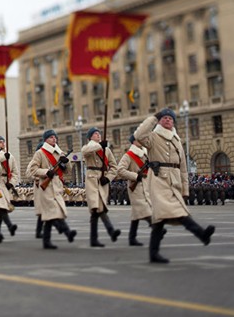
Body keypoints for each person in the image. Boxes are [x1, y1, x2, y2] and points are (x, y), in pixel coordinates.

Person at [134, 108, 215, 263]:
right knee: (177, 213)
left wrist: (185, 189)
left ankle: (154, 253)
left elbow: (183, 167)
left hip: (174, 181)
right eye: (164, 118)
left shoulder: (176, 139)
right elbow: (139, 135)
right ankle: (202, 234)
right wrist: (152, 118)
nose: (167, 120)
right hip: (159, 180)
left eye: (170, 118)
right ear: (159, 121)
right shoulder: (153, 137)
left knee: (161, 219)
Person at [26, 130, 77, 249]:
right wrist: (46, 172)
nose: (54, 139)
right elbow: (33, 170)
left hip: (57, 186)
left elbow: (68, 171)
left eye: (55, 137)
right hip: (46, 186)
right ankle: (67, 232)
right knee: (52, 213)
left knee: (53, 214)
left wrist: (66, 161)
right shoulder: (40, 153)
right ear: (45, 140)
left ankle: (48, 240)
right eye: (51, 137)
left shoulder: (60, 153)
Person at [81, 127, 121, 247]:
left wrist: (108, 178)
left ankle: (100, 236)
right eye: (95, 134)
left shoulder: (107, 150)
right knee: (95, 208)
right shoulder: (89, 147)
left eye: (99, 134)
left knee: (99, 208)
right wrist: (100, 146)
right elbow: (85, 151)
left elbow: (114, 167)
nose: (98, 135)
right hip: (92, 179)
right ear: (90, 137)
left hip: (102, 181)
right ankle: (110, 231)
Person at [116, 135, 153, 246]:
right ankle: (156, 226)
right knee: (144, 208)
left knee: (136, 213)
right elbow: (120, 170)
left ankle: (132, 238)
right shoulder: (129, 155)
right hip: (135, 186)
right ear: (133, 141)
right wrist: (136, 176)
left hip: (147, 185)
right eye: (138, 139)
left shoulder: (146, 154)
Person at [0, 136, 19, 237]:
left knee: (1, 207)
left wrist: (11, 183)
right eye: (0, 142)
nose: (2, 144)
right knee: (1, 205)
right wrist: (4, 158)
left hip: (6, 182)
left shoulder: (10, 156)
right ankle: (10, 226)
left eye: (3, 142)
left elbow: (15, 172)